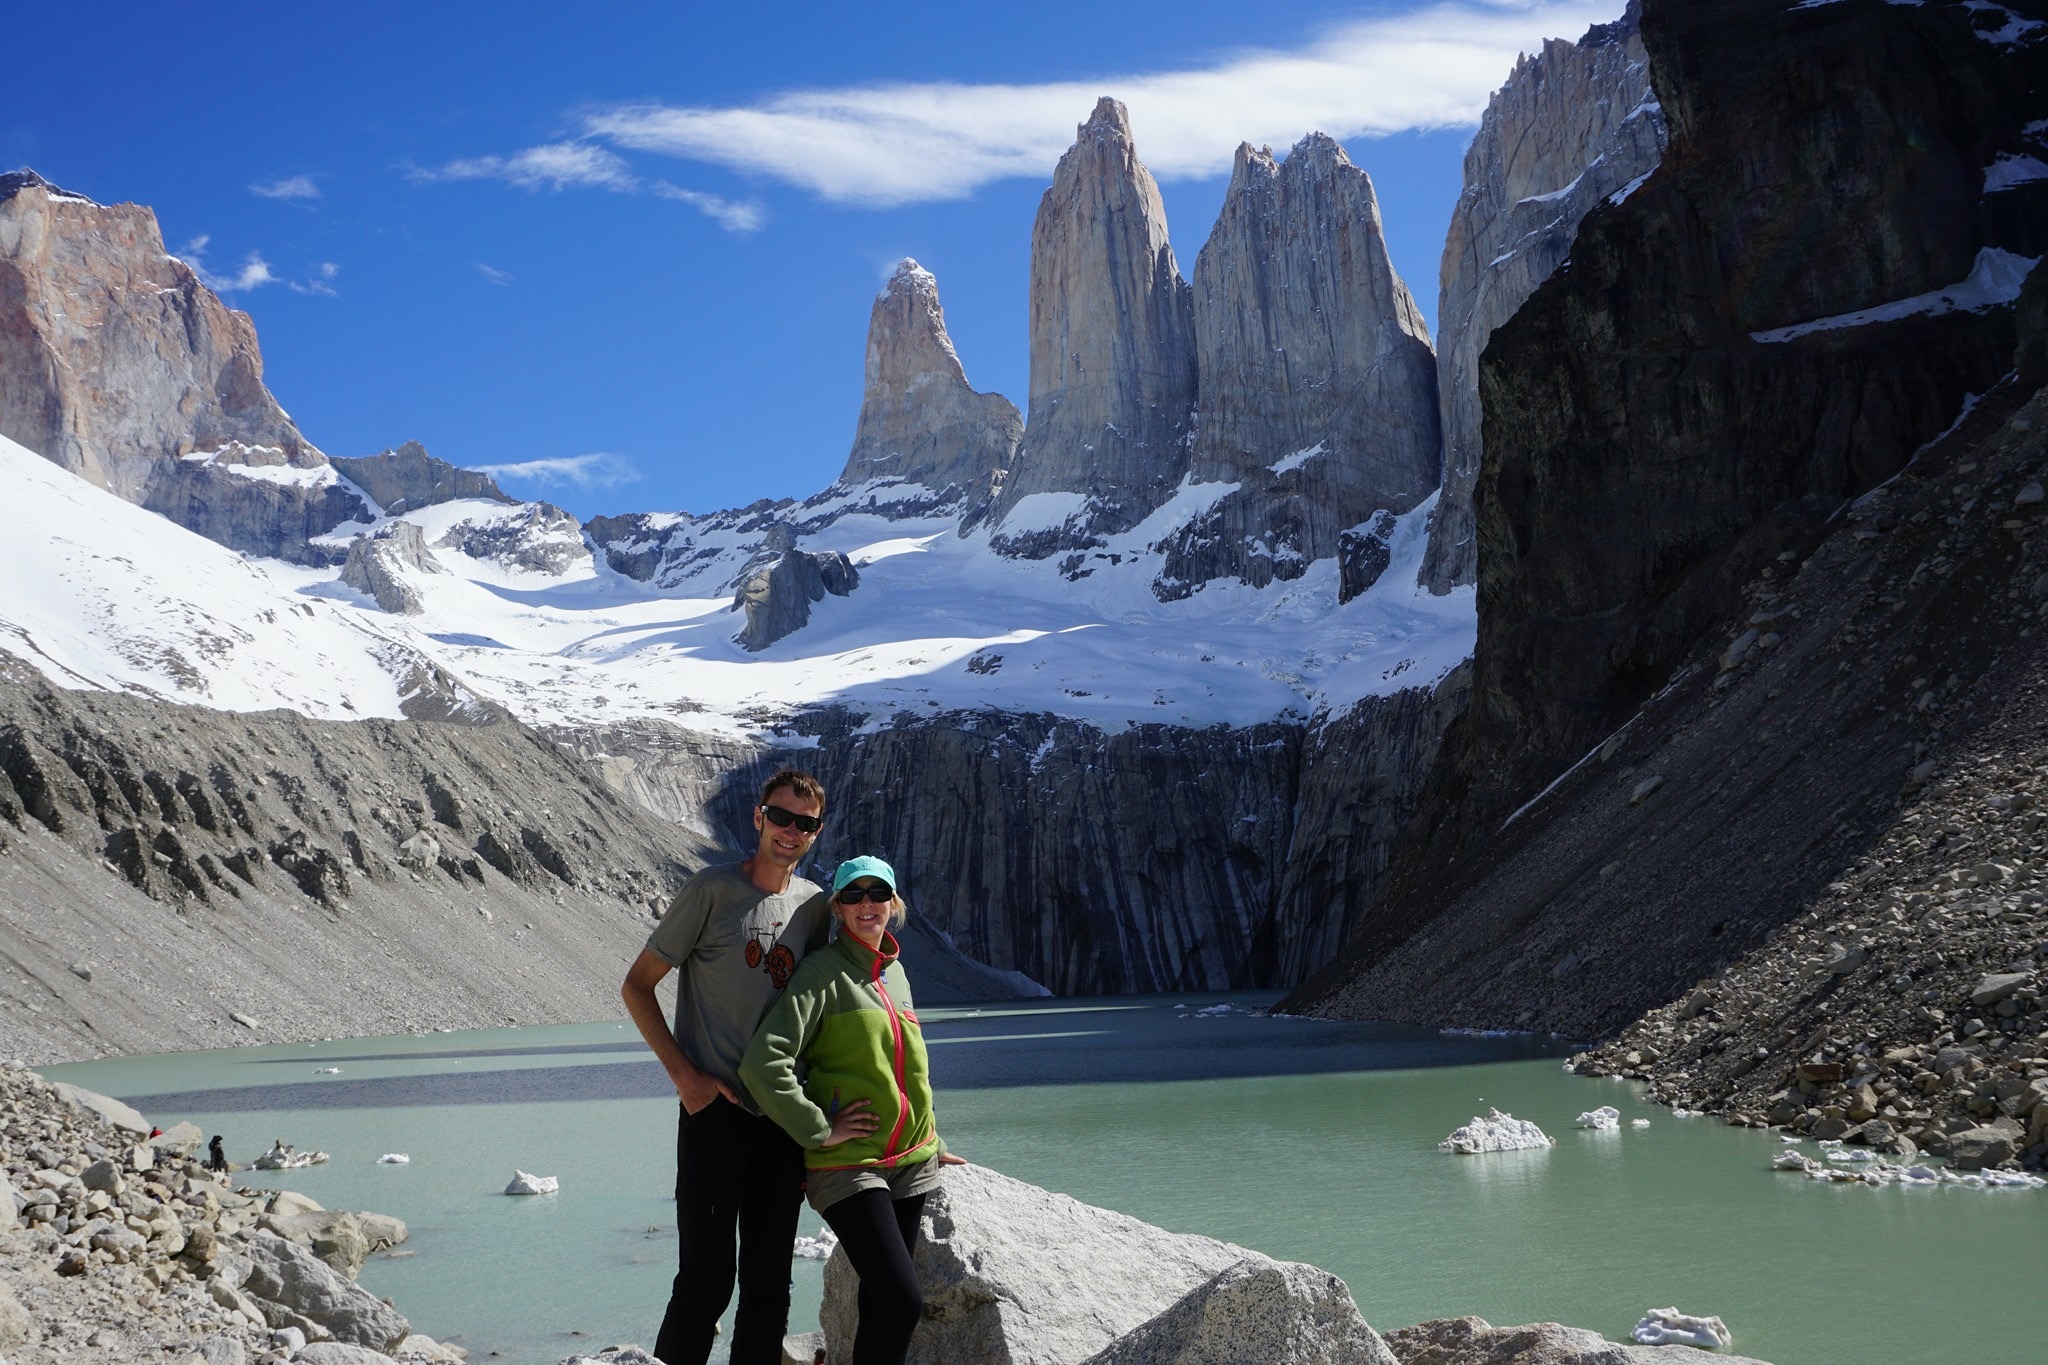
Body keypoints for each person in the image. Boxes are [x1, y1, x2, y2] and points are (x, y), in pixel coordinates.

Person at [622, 769, 836, 1365]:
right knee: (705, 1282)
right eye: (782, 816)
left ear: (816, 833)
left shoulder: (815, 906)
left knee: (769, 1287)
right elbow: (638, 987)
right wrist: (687, 1080)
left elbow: (832, 1006)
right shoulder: (710, 891)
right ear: (758, 817)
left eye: (806, 823)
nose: (791, 831)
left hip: (783, 1120)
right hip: (715, 1116)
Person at [741, 855, 964, 1365]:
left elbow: (907, 1071)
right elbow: (763, 1062)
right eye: (854, 894)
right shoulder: (821, 972)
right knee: (903, 1301)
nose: (868, 903)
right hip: (849, 1167)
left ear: (893, 904)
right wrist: (818, 1129)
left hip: (910, 1162)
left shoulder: (897, 974)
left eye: (878, 893)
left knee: (878, 1300)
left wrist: (933, 1141)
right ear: (837, 909)